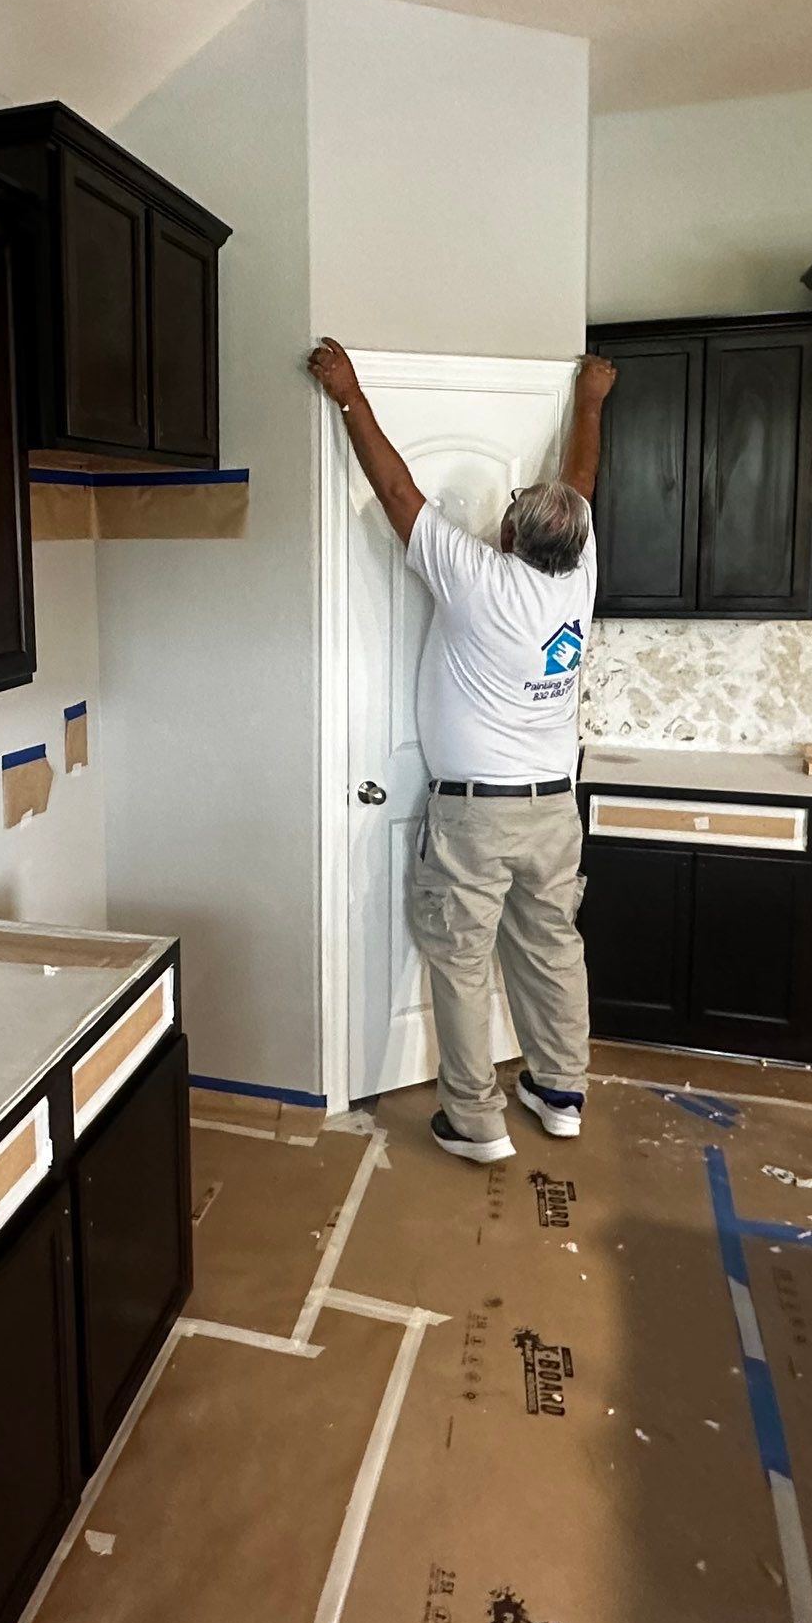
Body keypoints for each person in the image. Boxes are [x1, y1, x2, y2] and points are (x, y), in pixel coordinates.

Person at [307, 338, 617, 1163]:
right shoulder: (577, 578)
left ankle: (475, 1120)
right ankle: (560, 1092)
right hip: (553, 810)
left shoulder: (478, 578)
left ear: (510, 534)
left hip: (477, 816)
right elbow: (580, 484)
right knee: (553, 949)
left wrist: (348, 394)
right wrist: (590, 402)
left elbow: (395, 490)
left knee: (461, 961)